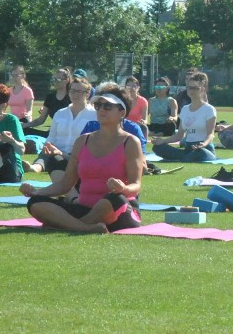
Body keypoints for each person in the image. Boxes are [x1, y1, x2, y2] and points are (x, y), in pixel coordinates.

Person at [20, 86, 144, 233]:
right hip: (83, 208)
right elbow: (65, 184)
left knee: (115, 199)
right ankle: (84, 227)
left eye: (108, 106)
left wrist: (123, 188)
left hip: (116, 209)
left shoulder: (130, 142)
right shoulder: (82, 141)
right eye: (98, 105)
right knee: (35, 203)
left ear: (122, 112)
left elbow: (136, 185)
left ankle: (65, 225)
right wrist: (37, 192)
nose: (101, 110)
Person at [29, 76, 97, 184]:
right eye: (73, 91)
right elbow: (51, 137)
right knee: (49, 155)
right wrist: (48, 146)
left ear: (87, 94)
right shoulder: (60, 113)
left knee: (56, 160)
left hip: (78, 156)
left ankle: (65, 189)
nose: (75, 94)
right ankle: (36, 167)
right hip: (56, 152)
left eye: (79, 91)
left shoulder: (94, 115)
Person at [151, 71, 217, 162]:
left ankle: (185, 158)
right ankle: (186, 158)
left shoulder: (209, 109)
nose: (191, 91)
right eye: (189, 88)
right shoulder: (185, 109)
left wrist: (204, 144)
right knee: (158, 147)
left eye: (195, 88)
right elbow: (179, 135)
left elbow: (211, 134)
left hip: (203, 150)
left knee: (199, 152)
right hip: (188, 150)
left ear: (202, 89)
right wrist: (162, 141)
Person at [23, 68, 72, 137]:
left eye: (59, 80)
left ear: (67, 80)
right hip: (52, 133)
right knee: (24, 131)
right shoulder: (50, 97)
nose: (56, 82)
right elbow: (40, 120)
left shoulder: (72, 97)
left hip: (68, 134)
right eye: (54, 79)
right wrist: (25, 125)